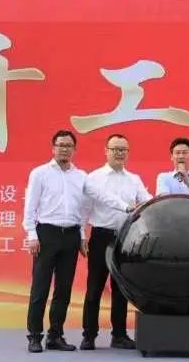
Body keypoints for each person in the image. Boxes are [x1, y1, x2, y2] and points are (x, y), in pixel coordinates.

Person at [80, 134, 153, 351]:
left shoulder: (134, 179)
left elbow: (146, 201)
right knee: (94, 287)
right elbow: (84, 210)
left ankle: (119, 335)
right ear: (106, 151)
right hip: (101, 236)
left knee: (121, 288)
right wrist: (81, 235)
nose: (119, 153)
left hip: (126, 238)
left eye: (123, 150)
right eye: (115, 149)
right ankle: (89, 335)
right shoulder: (94, 178)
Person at [22, 130, 88, 353]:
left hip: (71, 235)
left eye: (69, 146)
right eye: (61, 145)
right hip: (46, 234)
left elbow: (82, 210)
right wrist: (32, 235)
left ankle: (55, 335)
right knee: (40, 288)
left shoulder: (81, 176)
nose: (64, 149)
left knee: (64, 289)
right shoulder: (40, 173)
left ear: (74, 149)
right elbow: (30, 207)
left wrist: (82, 236)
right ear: (53, 148)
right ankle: (34, 336)